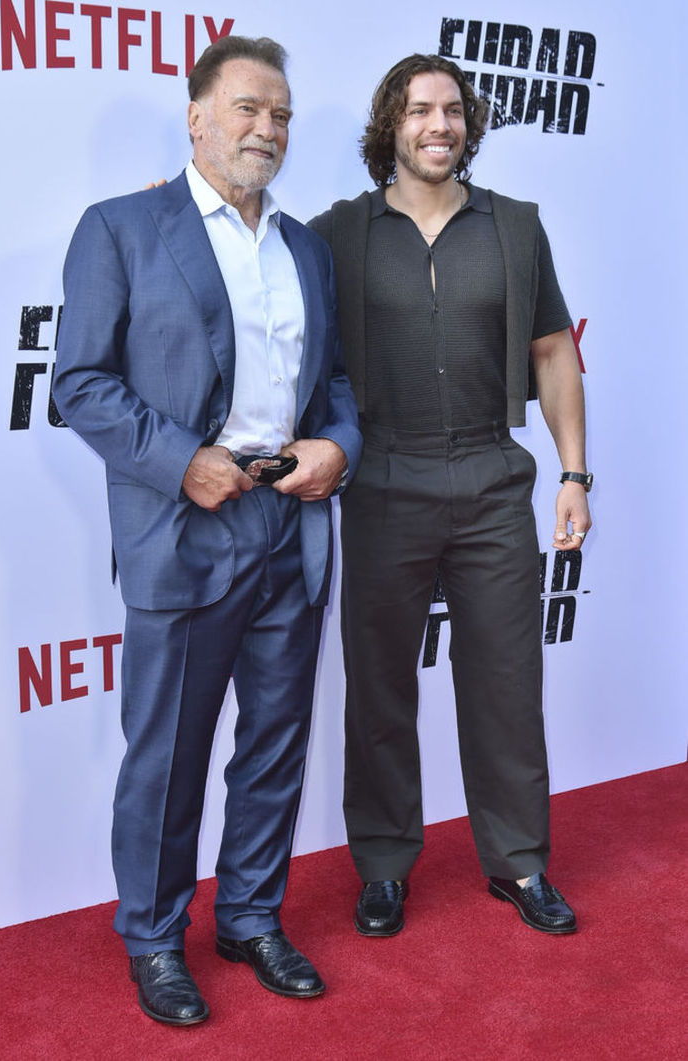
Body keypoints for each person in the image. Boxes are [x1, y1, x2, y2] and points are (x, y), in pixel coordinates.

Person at [53, 35, 361, 1026]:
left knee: (275, 742)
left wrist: (337, 445)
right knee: (168, 755)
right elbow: (80, 382)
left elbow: (334, 382)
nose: (266, 129)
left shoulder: (306, 248)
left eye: (281, 115)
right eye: (246, 108)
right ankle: (153, 937)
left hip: (290, 522)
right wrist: (182, 458)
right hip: (185, 523)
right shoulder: (121, 227)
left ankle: (251, 917)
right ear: (195, 118)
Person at [309, 53, 591, 939]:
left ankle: (518, 862)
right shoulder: (335, 234)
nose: (439, 124)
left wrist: (573, 472)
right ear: (389, 126)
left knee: (506, 682)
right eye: (418, 110)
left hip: (491, 477)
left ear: (468, 126)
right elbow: (254, 290)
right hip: (382, 478)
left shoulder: (515, 227)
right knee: (378, 687)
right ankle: (383, 864)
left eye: (453, 110)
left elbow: (553, 351)